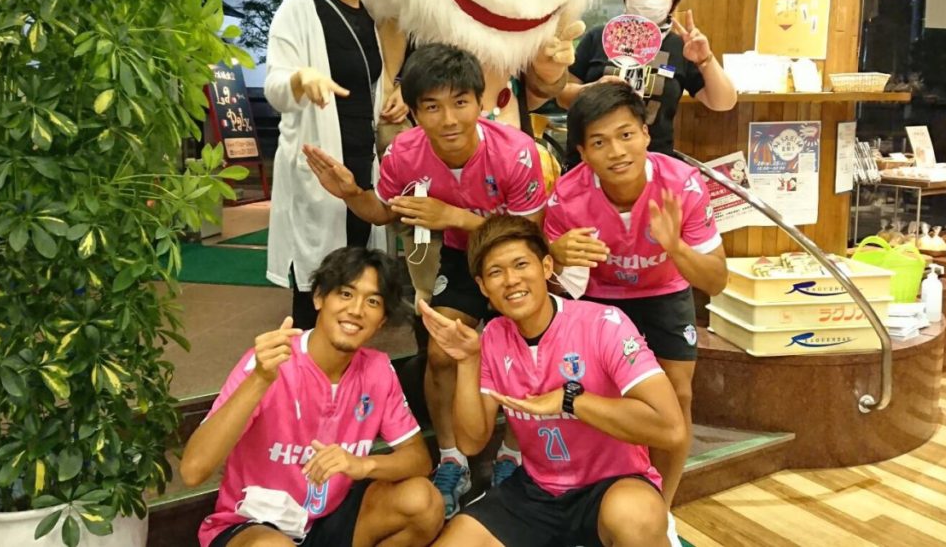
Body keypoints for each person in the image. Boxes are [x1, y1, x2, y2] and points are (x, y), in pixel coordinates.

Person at [303, 43, 548, 518]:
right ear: (414, 112)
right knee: (439, 352)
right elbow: (383, 210)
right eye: (432, 107)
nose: (449, 119)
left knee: (526, 345)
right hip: (456, 257)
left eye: (460, 102)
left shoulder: (516, 153)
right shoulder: (404, 152)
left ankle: (514, 455)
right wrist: (351, 193)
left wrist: (454, 215)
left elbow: (529, 234)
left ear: (479, 102)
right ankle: (453, 459)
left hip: (514, 254)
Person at [420, 215, 685, 547]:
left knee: (636, 517)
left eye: (521, 264)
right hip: (537, 492)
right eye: (496, 272)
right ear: (483, 287)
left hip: (612, 487)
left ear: (546, 266)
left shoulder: (604, 324)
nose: (511, 280)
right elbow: (471, 443)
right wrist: (467, 362)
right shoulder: (493, 338)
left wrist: (571, 400)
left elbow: (671, 429)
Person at [182, 247, 443, 547]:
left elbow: (418, 460)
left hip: (328, 519)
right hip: (254, 526)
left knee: (423, 502)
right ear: (319, 297)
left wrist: (363, 465)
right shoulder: (270, 361)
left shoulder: (378, 370)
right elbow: (192, 471)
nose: (356, 310)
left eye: (373, 301)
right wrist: (259, 380)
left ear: (382, 320)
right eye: (345, 294)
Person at [545, 83, 728, 506]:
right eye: (599, 142)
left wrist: (676, 248)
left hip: (664, 291)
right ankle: (594, 499)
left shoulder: (682, 185)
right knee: (594, 396)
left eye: (626, 134)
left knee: (678, 395)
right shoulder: (567, 198)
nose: (616, 151)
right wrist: (555, 255)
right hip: (598, 298)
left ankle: (661, 507)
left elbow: (716, 281)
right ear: (582, 152)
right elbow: (553, 290)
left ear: (646, 134)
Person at [263, 0, 409, 330]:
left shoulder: (370, 19)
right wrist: (301, 78)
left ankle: (349, 370)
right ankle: (307, 367)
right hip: (320, 171)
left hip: (361, 170)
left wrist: (394, 94)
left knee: (357, 287)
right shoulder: (301, 6)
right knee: (320, 289)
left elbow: (371, 88)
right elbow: (275, 86)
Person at [563, 0, 737, 156]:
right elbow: (562, 95)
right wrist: (592, 91)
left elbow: (723, 102)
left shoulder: (682, 47)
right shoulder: (599, 37)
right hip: (592, 159)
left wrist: (705, 60)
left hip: (654, 162)